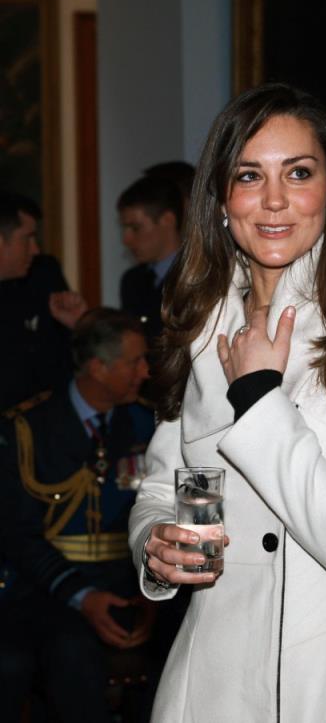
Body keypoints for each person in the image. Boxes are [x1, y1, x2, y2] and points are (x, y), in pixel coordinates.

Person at [128, 83, 326, 723]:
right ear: (221, 200)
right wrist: (156, 545)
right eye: (249, 176)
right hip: (207, 681)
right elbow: (166, 488)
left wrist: (258, 395)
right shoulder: (200, 330)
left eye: (298, 173)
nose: (274, 200)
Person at [0, 307, 155, 723]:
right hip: (51, 590)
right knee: (69, 651)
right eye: (135, 362)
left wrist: (151, 595)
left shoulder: (147, 423)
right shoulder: (27, 429)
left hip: (133, 583)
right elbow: (17, 535)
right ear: (98, 368)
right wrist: (83, 596)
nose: (146, 371)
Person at [0, 191, 87, 411]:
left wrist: (79, 325)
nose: (35, 249)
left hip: (50, 419)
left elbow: (77, 364)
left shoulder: (43, 274)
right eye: (27, 238)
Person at [117, 169, 187, 345]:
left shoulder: (198, 277)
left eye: (135, 228)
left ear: (168, 220)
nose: (126, 240)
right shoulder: (132, 281)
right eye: (124, 229)